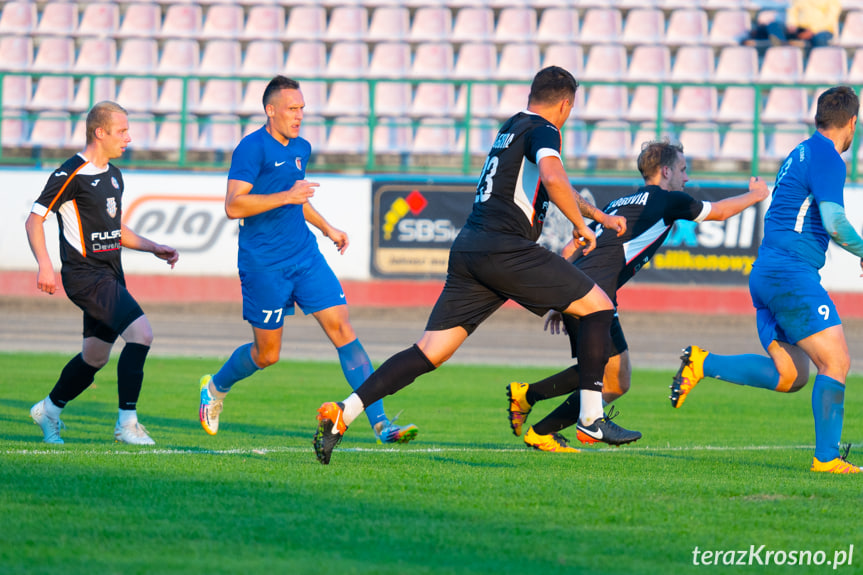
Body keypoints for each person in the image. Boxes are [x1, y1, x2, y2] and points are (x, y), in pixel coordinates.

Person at [313, 66, 640, 465]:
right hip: (507, 248)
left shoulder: (511, 128)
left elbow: (555, 186)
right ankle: (590, 418)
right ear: (566, 105)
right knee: (600, 306)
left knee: (429, 351)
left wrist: (599, 218)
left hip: (471, 248)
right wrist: (580, 225)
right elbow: (554, 177)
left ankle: (343, 413)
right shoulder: (545, 130)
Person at [506, 140, 770, 451]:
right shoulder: (666, 200)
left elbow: (572, 246)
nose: (687, 178)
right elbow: (721, 212)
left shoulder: (622, 201)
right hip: (595, 295)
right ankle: (537, 415)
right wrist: (757, 194)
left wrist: (562, 296)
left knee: (614, 378)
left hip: (583, 287)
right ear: (666, 171)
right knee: (603, 373)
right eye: (683, 170)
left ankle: (532, 407)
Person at [198, 75, 417, 445]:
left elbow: (298, 199)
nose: (299, 116)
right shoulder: (251, 149)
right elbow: (234, 205)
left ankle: (381, 424)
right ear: (270, 110)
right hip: (264, 263)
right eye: (292, 109)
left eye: (302, 109)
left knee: (343, 329)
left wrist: (327, 227)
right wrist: (286, 196)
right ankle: (215, 388)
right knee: (267, 354)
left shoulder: (302, 146)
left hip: (304, 256)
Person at [671, 86, 863, 475]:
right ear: (852, 123)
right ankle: (826, 459)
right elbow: (834, 222)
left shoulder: (800, 152)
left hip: (768, 272)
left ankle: (702, 363)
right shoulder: (828, 157)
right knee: (837, 361)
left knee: (790, 375)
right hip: (790, 272)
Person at [25, 101, 179, 445]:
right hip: (84, 275)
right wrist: (45, 265)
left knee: (95, 357)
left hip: (110, 273)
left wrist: (154, 246)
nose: (128, 138)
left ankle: (49, 410)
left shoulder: (114, 175)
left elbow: (114, 229)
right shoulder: (70, 173)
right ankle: (126, 424)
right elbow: (35, 219)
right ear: (100, 132)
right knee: (142, 334)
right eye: (121, 131)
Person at [745, 0, 841, 48]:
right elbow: (792, 11)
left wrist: (812, 31)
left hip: (821, 30)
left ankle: (818, 66)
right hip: (799, 29)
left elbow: (830, 19)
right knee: (774, 25)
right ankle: (782, 47)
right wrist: (792, 25)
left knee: (819, 39)